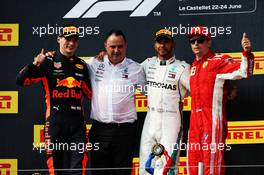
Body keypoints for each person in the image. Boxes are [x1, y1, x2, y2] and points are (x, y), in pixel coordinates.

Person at [16, 25, 91, 175]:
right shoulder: (47, 61)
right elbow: (21, 81)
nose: (71, 43)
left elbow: (91, 94)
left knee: (77, 171)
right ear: (59, 39)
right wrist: (35, 64)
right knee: (55, 170)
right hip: (55, 125)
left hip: (77, 127)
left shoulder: (82, 65)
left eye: (75, 40)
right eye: (67, 39)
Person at [186, 26, 254, 175]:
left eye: (200, 40)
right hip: (194, 122)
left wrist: (246, 53)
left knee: (212, 165)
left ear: (209, 42)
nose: (196, 44)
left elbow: (244, 72)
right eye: (192, 41)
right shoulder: (193, 66)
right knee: (192, 163)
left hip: (212, 121)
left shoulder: (219, 60)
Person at [85, 29, 146, 175]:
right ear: (105, 46)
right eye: (112, 46)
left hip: (125, 132)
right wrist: (51, 57)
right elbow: (70, 64)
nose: (116, 50)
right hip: (100, 130)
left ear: (126, 46)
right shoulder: (93, 63)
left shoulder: (136, 68)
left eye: (120, 46)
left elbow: (150, 92)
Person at [139, 29, 190, 175]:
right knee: (145, 164)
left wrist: (225, 89)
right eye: (159, 42)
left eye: (166, 41)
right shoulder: (147, 64)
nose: (163, 45)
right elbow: (128, 71)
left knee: (167, 166)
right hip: (151, 116)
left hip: (171, 118)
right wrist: (104, 57)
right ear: (155, 45)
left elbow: (198, 89)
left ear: (173, 44)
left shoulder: (183, 67)